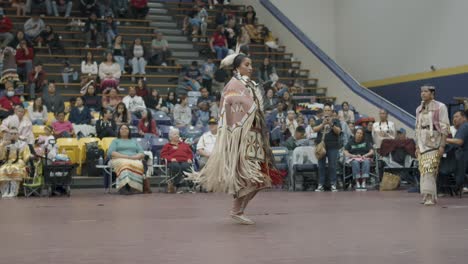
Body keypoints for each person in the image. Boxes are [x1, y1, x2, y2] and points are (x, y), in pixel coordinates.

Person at [186, 54, 281, 225]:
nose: (251, 67)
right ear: (237, 68)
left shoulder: (249, 84)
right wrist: (244, 110)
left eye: (251, 64)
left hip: (255, 136)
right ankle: (236, 210)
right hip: (242, 137)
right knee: (250, 177)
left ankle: (238, 210)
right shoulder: (234, 84)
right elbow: (228, 105)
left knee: (263, 179)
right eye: (247, 64)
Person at [415, 85, 450, 206]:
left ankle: (430, 196)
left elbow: (445, 127)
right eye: (421, 91)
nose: (423, 93)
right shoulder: (419, 108)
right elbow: (417, 128)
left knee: (430, 167)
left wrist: (442, 145)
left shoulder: (440, 107)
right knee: (423, 169)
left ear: (432, 94)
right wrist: (417, 146)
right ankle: (426, 195)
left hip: (434, 140)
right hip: (421, 140)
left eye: (426, 91)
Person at [107, 124, 146, 194]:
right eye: (122, 129)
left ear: (129, 131)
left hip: (134, 159)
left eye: (126, 129)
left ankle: (134, 187)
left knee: (139, 164)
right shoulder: (115, 141)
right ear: (119, 131)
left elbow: (142, 153)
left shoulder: (134, 141)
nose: (124, 130)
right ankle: (123, 186)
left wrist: (135, 157)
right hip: (118, 158)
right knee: (125, 163)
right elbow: (111, 152)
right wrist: (127, 157)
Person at [313, 102, 342, 192]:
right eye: (325, 110)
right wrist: (322, 124)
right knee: (321, 166)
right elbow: (314, 129)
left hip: (333, 146)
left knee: (332, 166)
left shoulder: (336, 121)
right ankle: (320, 184)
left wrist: (331, 124)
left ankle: (333, 184)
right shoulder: (319, 120)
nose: (327, 112)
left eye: (328, 110)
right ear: (323, 111)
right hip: (321, 147)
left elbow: (338, 132)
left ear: (331, 111)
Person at [0, 127, 31, 198]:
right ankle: (5, 191)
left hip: (19, 162)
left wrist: (27, 159)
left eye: (15, 133)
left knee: (14, 169)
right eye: (11, 133)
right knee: (2, 170)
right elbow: (1, 157)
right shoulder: (5, 144)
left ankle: (13, 191)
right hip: (8, 162)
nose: (13, 135)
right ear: (9, 134)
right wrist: (2, 145)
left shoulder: (23, 144)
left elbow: (26, 156)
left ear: (18, 134)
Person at [161, 127, 193, 193]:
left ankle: (190, 185)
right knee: (176, 166)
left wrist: (189, 158)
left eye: (178, 134)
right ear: (170, 137)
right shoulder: (167, 145)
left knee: (186, 166)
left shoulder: (185, 145)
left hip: (184, 161)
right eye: (175, 134)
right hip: (173, 162)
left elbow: (190, 153)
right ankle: (177, 185)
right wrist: (170, 158)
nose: (177, 135)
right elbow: (163, 155)